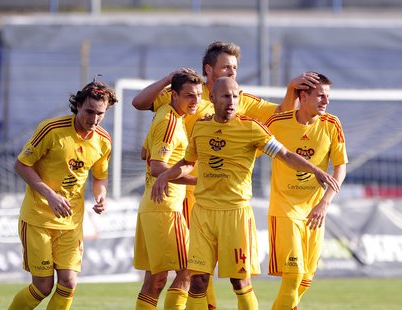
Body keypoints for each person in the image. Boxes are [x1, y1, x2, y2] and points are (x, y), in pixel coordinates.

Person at [132, 40, 319, 309]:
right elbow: (140, 104)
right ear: (209, 69)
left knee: (215, 277)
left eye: (234, 68)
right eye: (226, 67)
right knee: (185, 275)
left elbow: (281, 113)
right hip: (182, 194)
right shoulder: (185, 94)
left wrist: (291, 89)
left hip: (218, 197)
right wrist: (169, 79)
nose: (232, 73)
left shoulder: (238, 100)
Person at [8, 80, 118, 309]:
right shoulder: (52, 129)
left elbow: (100, 177)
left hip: (71, 223)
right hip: (39, 219)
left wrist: (101, 196)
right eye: (89, 111)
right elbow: (21, 165)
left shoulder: (104, 140)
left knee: (68, 283)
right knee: (42, 287)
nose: (94, 119)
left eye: (100, 113)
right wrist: (50, 195)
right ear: (77, 105)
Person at [263, 72, 347, 309]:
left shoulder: (332, 124)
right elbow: (250, 146)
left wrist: (325, 203)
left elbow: (340, 168)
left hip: (314, 212)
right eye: (320, 96)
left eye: (327, 96)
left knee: (306, 280)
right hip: (285, 209)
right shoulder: (277, 123)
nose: (326, 101)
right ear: (303, 96)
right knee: (293, 276)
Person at [133, 69, 204, 310]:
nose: (195, 101)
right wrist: (198, 180)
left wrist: (180, 165)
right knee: (188, 271)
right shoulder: (170, 122)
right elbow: (157, 167)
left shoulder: (166, 114)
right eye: (189, 96)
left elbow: (146, 152)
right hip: (165, 207)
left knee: (155, 280)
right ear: (173, 95)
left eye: (198, 95)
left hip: (153, 206)